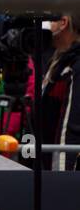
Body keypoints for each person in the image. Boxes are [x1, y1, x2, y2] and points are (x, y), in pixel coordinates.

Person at [41, 12, 80, 169]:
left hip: (61, 175)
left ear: (63, 22)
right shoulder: (61, 61)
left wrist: (62, 181)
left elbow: (70, 132)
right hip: (46, 165)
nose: (49, 25)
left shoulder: (75, 67)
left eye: (51, 19)